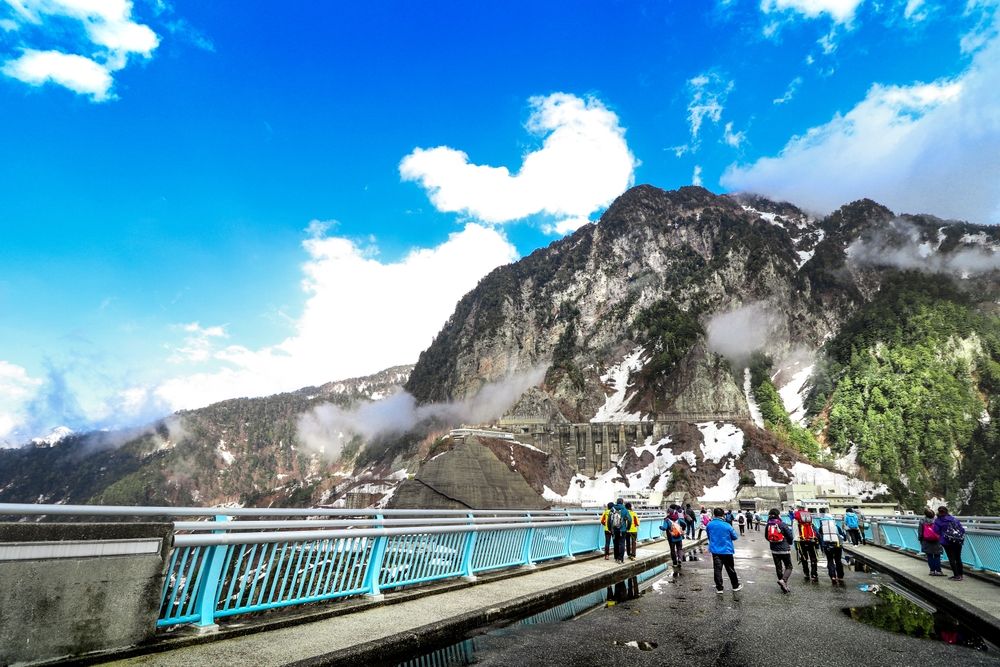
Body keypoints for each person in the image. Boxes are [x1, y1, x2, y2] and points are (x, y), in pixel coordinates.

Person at [706, 508, 742, 594]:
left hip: (715, 551)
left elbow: (709, 536)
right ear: (723, 515)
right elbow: (735, 537)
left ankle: (719, 588)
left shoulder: (709, 525)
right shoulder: (727, 525)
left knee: (717, 570)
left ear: (714, 514)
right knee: (730, 569)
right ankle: (735, 586)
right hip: (727, 551)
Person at [765, 508, 794, 593]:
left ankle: (783, 586)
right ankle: (783, 581)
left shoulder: (768, 525)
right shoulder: (782, 524)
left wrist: (773, 542)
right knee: (789, 566)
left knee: (778, 567)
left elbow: (767, 537)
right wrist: (788, 543)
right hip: (784, 549)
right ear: (778, 515)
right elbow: (790, 536)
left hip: (774, 550)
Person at [933, 506, 966, 581]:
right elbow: (962, 529)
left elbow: (936, 531)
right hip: (957, 541)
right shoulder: (954, 519)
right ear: (947, 511)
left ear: (939, 512)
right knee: (958, 557)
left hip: (946, 542)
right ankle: (961, 575)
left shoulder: (938, 520)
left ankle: (956, 575)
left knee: (951, 558)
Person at [817, 508, 846, 586]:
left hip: (827, 546)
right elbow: (843, 536)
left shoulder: (822, 527)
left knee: (830, 561)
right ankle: (840, 576)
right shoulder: (836, 527)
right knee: (838, 561)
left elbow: (820, 535)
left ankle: (833, 576)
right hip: (837, 545)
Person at [793, 504, 819, 582]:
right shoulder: (809, 518)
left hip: (801, 540)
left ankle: (806, 573)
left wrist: (796, 541)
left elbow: (795, 531)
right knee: (813, 557)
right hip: (811, 539)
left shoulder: (796, 519)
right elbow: (814, 528)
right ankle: (814, 574)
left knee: (804, 558)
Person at [918, 508, 944, 576]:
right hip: (937, 540)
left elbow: (920, 532)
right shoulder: (937, 520)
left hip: (926, 540)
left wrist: (920, 539)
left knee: (929, 556)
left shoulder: (922, 521)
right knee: (937, 555)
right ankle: (938, 571)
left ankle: (932, 571)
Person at [608, 498, 632, 564]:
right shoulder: (625, 509)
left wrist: (609, 528)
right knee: (621, 544)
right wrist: (628, 528)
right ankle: (620, 559)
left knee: (615, 544)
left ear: (616, 502)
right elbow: (629, 520)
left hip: (614, 530)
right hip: (623, 529)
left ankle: (616, 558)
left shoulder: (612, 509)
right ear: (622, 502)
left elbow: (609, 520)